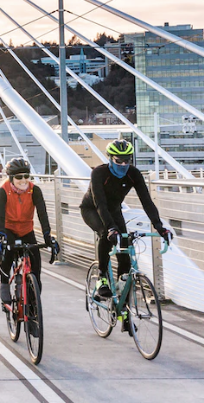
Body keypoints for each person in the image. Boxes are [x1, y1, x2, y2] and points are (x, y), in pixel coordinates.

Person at [80, 139, 173, 331]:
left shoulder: (133, 174)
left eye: (127, 160)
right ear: (110, 159)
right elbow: (100, 204)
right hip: (92, 209)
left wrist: (159, 227)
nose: (123, 165)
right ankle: (102, 278)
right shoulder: (99, 173)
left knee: (126, 260)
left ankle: (123, 311)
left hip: (114, 210)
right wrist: (112, 229)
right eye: (118, 160)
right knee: (107, 233)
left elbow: (147, 201)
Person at [0, 158, 59, 304]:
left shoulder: (34, 190)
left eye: (26, 176)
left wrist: (48, 235)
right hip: (7, 228)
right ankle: (4, 283)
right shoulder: (2, 192)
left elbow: (42, 214)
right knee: (7, 251)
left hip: (26, 230)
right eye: (18, 177)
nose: (23, 180)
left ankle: (33, 303)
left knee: (35, 265)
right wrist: (1, 237)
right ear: (11, 178)